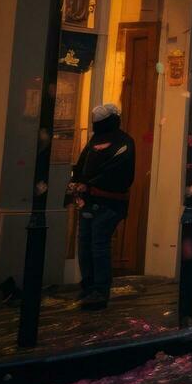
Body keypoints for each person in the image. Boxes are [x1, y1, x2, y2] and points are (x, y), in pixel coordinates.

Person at [67, 102, 135, 310]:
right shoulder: (118, 141)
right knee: (88, 244)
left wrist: (85, 182)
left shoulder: (114, 142)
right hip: (96, 200)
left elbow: (111, 171)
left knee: (95, 244)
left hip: (105, 201)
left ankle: (97, 290)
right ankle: (92, 288)